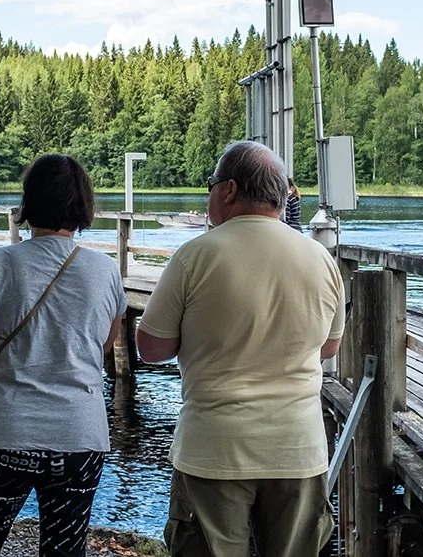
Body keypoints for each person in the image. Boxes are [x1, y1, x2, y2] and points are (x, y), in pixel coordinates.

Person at [137, 140, 345, 557]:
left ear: (229, 190)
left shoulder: (194, 257)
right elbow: (329, 346)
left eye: (211, 185)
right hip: (298, 449)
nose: (209, 194)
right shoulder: (321, 259)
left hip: (214, 448)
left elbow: (151, 348)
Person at [0, 154, 126, 557]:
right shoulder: (106, 270)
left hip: (7, 433)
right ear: (83, 205)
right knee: (64, 550)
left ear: (28, 202)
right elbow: (103, 344)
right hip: (79, 435)